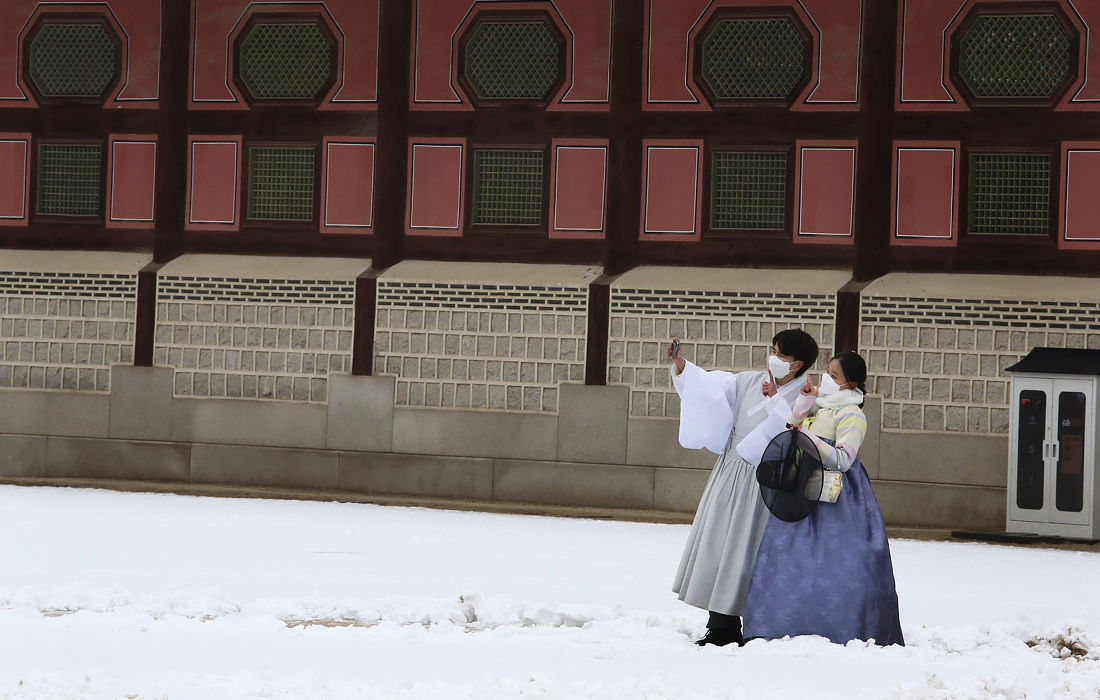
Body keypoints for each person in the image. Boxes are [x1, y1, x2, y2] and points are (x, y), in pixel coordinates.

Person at [742, 351, 905, 646]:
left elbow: (843, 460)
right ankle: (779, 624)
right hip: (802, 491)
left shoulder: (852, 414)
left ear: (850, 384)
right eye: (827, 372)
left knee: (837, 561)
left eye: (834, 375)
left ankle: (841, 628)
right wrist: (804, 404)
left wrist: (812, 440)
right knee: (789, 559)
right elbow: (791, 429)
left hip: (836, 497)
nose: (826, 379)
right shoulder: (821, 407)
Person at [668, 329, 819, 647]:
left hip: (770, 482)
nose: (773, 358)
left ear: (798, 364)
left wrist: (778, 403)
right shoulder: (748, 381)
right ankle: (720, 625)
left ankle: (761, 624)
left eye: (781, 354)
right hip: (732, 472)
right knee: (721, 544)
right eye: (773, 350)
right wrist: (683, 367)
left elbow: (801, 433)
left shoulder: (807, 395)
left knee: (751, 551)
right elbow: (709, 389)